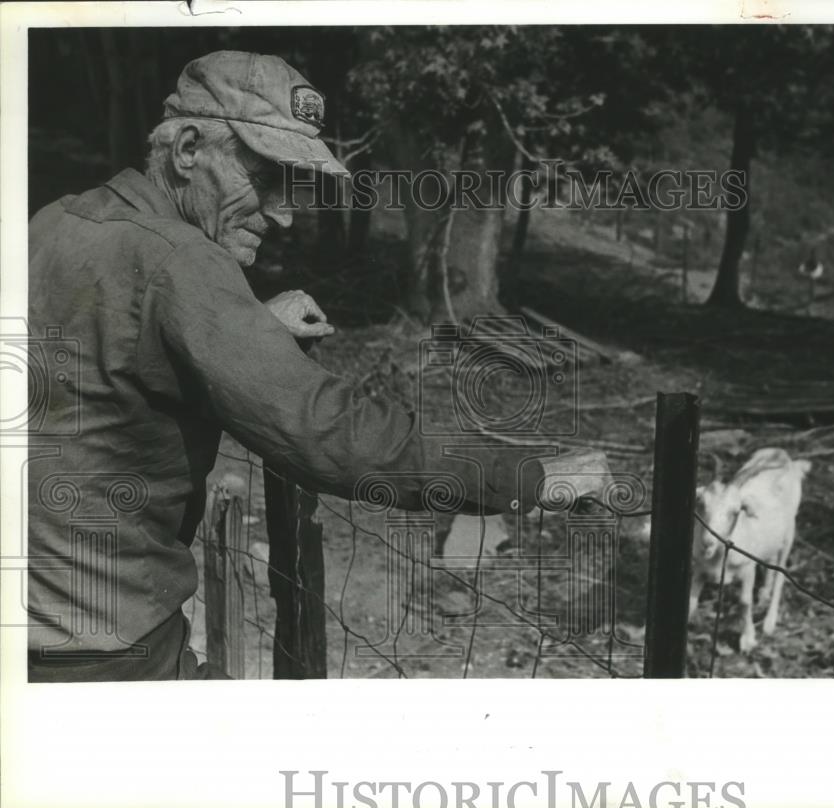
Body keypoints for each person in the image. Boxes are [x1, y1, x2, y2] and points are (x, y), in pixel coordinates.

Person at [26, 50, 613, 681]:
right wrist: (527, 476)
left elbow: (96, 375)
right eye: (267, 175)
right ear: (189, 150)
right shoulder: (182, 262)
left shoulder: (57, 220)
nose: (284, 212)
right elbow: (329, 434)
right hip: (110, 654)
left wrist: (247, 331)